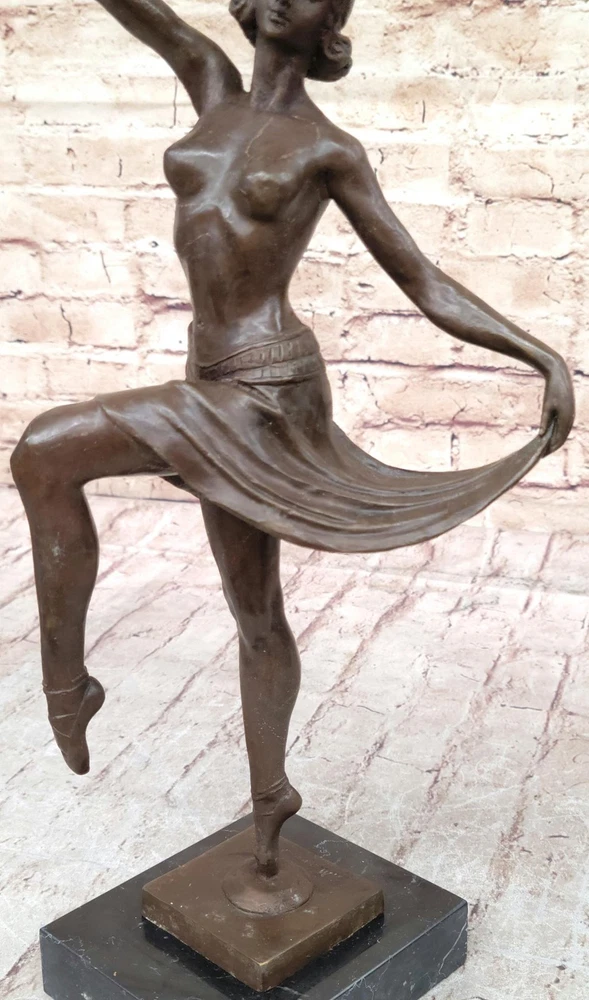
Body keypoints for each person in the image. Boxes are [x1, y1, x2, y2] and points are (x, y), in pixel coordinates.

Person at [10, 0, 574, 879]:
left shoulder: (328, 150)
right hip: (207, 375)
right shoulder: (209, 82)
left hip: (268, 391)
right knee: (255, 614)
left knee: (46, 448)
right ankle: (270, 794)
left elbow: (422, 279)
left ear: (329, 28)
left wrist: (541, 356)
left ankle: (65, 686)